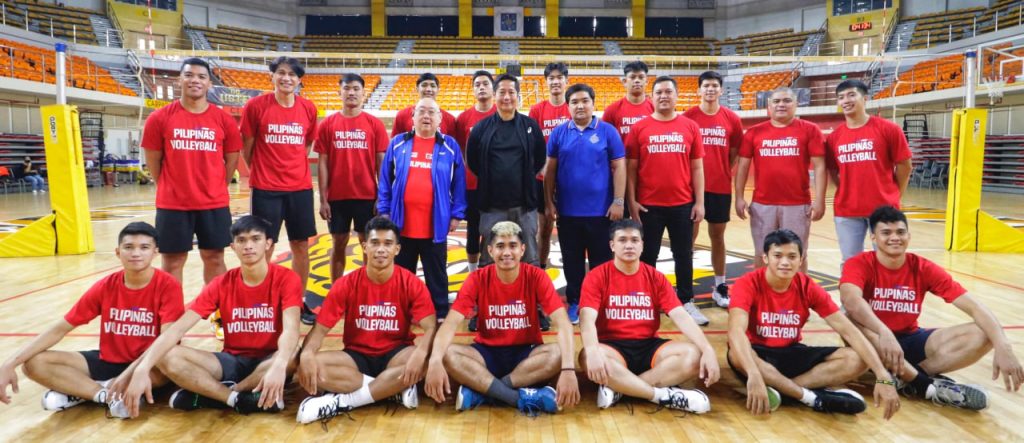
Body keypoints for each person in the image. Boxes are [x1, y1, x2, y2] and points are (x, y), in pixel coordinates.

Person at [840, 205, 1023, 410]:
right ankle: (923, 385)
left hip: (911, 339)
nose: (895, 238)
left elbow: (975, 307)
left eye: (900, 232)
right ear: (873, 238)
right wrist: (883, 331)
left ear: (909, 236)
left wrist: (1003, 346)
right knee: (848, 318)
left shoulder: (923, 267)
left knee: (984, 332)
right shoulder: (859, 263)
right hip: (873, 339)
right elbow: (851, 301)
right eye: (886, 233)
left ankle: (910, 380)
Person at [117, 216, 302, 417]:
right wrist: (142, 368)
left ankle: (216, 394)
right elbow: (178, 328)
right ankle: (237, 399)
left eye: (255, 239)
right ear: (233, 246)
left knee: (294, 354)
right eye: (241, 241)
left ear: (268, 244)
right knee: (167, 355)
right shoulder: (221, 283)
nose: (248, 246)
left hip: (270, 357)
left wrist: (280, 364)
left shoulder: (287, 278)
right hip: (231, 360)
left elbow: (291, 328)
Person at [0, 222, 183, 419]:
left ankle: (80, 390)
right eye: (128, 247)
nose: (135, 253)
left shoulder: (168, 285)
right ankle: (105, 395)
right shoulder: (106, 286)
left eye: (144, 247)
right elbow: (60, 328)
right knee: (33, 363)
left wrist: (133, 372)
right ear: (117, 252)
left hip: (149, 363)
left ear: (155, 252)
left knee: (171, 365)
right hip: (108, 361)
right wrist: (9, 363)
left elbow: (166, 341)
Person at [726, 229, 900, 418]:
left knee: (857, 359)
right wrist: (753, 373)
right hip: (758, 353)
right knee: (736, 352)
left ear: (801, 260)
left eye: (792, 256)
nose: (785, 262)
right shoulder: (748, 283)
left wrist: (882, 375)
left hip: (791, 351)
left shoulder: (807, 286)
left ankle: (783, 391)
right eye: (777, 256)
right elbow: (736, 332)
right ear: (765, 258)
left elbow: (848, 330)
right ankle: (810, 397)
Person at [424, 222, 579, 415]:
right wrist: (435, 361)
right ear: (489, 251)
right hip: (486, 353)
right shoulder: (477, 278)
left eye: (512, 246)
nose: (507, 252)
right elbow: (450, 324)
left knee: (557, 353)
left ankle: (485, 392)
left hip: (526, 354)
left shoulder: (536, 276)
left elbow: (563, 323)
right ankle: (518, 398)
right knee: (446, 354)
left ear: (522, 250)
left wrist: (568, 369)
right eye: (500, 246)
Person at [295, 217, 437, 424]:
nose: (381, 249)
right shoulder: (346, 284)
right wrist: (307, 354)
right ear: (364, 247)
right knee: (308, 366)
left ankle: (345, 401)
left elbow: (431, 327)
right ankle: (390, 390)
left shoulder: (411, 282)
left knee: (427, 359)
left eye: (387, 244)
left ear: (397, 249)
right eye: (375, 243)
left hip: (396, 353)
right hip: (356, 357)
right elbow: (320, 330)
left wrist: (422, 353)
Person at [578, 219, 718, 412]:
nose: (629, 245)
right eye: (622, 240)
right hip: (613, 348)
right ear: (612, 245)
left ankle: (622, 388)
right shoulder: (597, 276)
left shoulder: (655, 277)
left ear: (642, 245)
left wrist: (708, 349)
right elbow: (586, 320)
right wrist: (593, 351)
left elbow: (681, 316)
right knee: (587, 355)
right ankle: (660, 396)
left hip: (648, 347)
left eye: (635, 240)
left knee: (694, 355)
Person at [142, 57, 241, 284]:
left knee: (215, 258)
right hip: (173, 204)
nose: (195, 80)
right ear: (180, 80)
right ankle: (172, 316)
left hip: (213, 203)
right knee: (172, 261)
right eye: (189, 75)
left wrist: (217, 185)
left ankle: (218, 314)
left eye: (201, 76)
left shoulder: (224, 120)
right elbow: (153, 161)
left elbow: (232, 160)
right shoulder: (159, 118)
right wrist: (168, 185)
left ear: (209, 84)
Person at [240, 56, 319, 324]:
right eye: (281, 73)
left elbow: (306, 146)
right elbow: (247, 148)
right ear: (272, 76)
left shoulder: (308, 108)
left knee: (301, 246)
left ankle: (297, 302)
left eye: (292, 75)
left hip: (300, 188)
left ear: (299, 80)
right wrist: (264, 170)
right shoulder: (255, 106)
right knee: (264, 246)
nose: (287, 78)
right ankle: (262, 301)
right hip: (266, 189)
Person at [625, 76, 707, 325]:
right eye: (658, 92)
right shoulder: (640, 128)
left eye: (668, 92)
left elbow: (697, 168)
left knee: (683, 253)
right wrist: (632, 202)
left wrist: (699, 202)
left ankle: (686, 300)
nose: (663, 96)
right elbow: (630, 170)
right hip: (649, 205)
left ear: (677, 95)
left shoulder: (690, 127)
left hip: (682, 204)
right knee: (647, 255)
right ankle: (648, 300)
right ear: (651, 97)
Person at [378, 97, 467, 320]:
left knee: (436, 272)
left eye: (431, 112)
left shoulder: (450, 146)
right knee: (402, 273)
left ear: (440, 119)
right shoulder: (397, 143)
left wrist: (457, 214)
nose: (426, 116)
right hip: (401, 224)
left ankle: (438, 311)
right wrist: (384, 211)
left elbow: (459, 184)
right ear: (412, 117)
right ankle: (401, 310)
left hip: (435, 224)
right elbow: (385, 181)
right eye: (421, 112)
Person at [544, 83, 625, 325]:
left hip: (602, 212)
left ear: (593, 103)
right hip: (568, 213)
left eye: (584, 101)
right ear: (568, 106)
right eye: (575, 102)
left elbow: (619, 166)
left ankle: (600, 302)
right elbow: (550, 171)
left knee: (602, 262)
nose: (580, 106)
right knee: (572, 262)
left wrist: (618, 201)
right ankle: (576, 303)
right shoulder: (559, 133)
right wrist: (549, 202)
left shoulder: (608, 131)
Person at [735, 87, 826, 273]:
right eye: (776, 101)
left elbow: (820, 166)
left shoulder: (810, 130)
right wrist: (738, 197)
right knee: (762, 253)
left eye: (786, 101)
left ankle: (799, 296)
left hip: (797, 204)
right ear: (769, 106)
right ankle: (762, 295)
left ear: (796, 104)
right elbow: (742, 167)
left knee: (797, 254)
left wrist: (820, 200)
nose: (781, 105)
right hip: (762, 204)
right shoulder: (754, 132)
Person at [825, 79, 913, 269]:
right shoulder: (834, 137)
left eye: (851, 95)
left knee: (887, 260)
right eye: (841, 97)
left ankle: (882, 299)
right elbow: (832, 170)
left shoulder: (889, 129)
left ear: (865, 98)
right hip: (847, 210)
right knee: (850, 263)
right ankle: (850, 300)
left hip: (883, 209)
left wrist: (896, 194)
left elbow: (905, 166)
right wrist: (845, 189)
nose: (846, 100)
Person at [315, 73, 389, 283]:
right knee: (339, 242)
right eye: (347, 88)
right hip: (337, 197)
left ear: (363, 94)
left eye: (356, 88)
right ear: (339, 92)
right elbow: (322, 163)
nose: (351, 92)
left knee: (368, 243)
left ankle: (367, 286)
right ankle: (336, 289)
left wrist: (381, 197)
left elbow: (381, 164)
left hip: (366, 196)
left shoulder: (374, 124)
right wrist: (323, 199)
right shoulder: (328, 124)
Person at [467, 73, 547, 268]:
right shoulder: (481, 128)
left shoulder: (530, 126)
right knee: (490, 260)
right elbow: (473, 162)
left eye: (511, 92)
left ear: (518, 96)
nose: (506, 97)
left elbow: (539, 158)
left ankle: (529, 297)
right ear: (495, 95)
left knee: (528, 258)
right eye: (502, 92)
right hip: (491, 207)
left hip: (524, 206)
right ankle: (489, 298)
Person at [683, 71, 743, 309]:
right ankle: (684, 285)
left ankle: (720, 285)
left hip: (719, 188)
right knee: (689, 239)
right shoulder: (688, 117)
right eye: (706, 85)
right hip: (690, 189)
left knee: (717, 237)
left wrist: (721, 170)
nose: (710, 89)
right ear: (699, 90)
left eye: (714, 86)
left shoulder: (731, 119)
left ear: (720, 90)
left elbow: (734, 152)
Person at [529, 62, 571, 270]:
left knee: (570, 229)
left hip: (569, 181)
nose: (555, 81)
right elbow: (532, 145)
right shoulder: (537, 110)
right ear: (546, 83)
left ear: (566, 81)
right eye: (551, 78)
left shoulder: (573, 107)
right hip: (541, 179)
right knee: (543, 229)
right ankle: (540, 270)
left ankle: (574, 273)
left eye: (559, 77)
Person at [454, 70, 496, 273]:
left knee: (495, 231)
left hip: (498, 186)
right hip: (472, 185)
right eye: (477, 84)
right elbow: (460, 152)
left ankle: (491, 272)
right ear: (472, 90)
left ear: (492, 88)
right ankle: (473, 274)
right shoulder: (463, 118)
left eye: (485, 83)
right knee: (473, 231)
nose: (481, 87)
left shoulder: (502, 114)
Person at [391, 73, 457, 137]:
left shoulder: (449, 119)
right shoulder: (402, 115)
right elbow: (395, 144)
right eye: (424, 85)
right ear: (417, 88)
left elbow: (452, 146)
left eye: (433, 86)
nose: (428, 89)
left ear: (438, 90)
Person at [602, 61, 654, 138]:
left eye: (641, 77)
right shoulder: (612, 110)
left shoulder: (655, 109)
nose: (637, 81)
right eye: (632, 77)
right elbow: (604, 138)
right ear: (625, 82)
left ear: (646, 81)